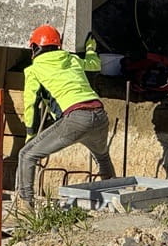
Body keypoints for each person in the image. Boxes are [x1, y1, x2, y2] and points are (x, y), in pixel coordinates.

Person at [17, 24, 115, 207]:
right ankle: (114, 199)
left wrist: (31, 135)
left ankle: (25, 208)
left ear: (34, 47)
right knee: (102, 157)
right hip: (100, 115)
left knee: (26, 155)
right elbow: (94, 65)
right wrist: (90, 49)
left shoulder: (33, 70)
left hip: (76, 118)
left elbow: (30, 106)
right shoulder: (72, 59)